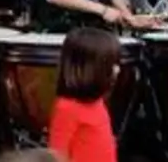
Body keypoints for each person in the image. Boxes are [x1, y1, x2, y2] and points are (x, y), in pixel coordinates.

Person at [47, 27, 121, 162]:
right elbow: (56, 156)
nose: (117, 69)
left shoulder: (97, 100)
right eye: (110, 64)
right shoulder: (67, 108)